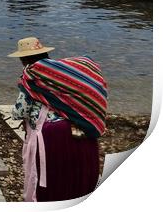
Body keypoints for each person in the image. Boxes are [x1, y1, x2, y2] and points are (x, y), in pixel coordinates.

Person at [8, 37, 108, 202]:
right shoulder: (61, 75)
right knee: (73, 175)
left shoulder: (32, 76)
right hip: (79, 131)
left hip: (52, 137)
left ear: (23, 59)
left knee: (54, 178)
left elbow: (19, 112)